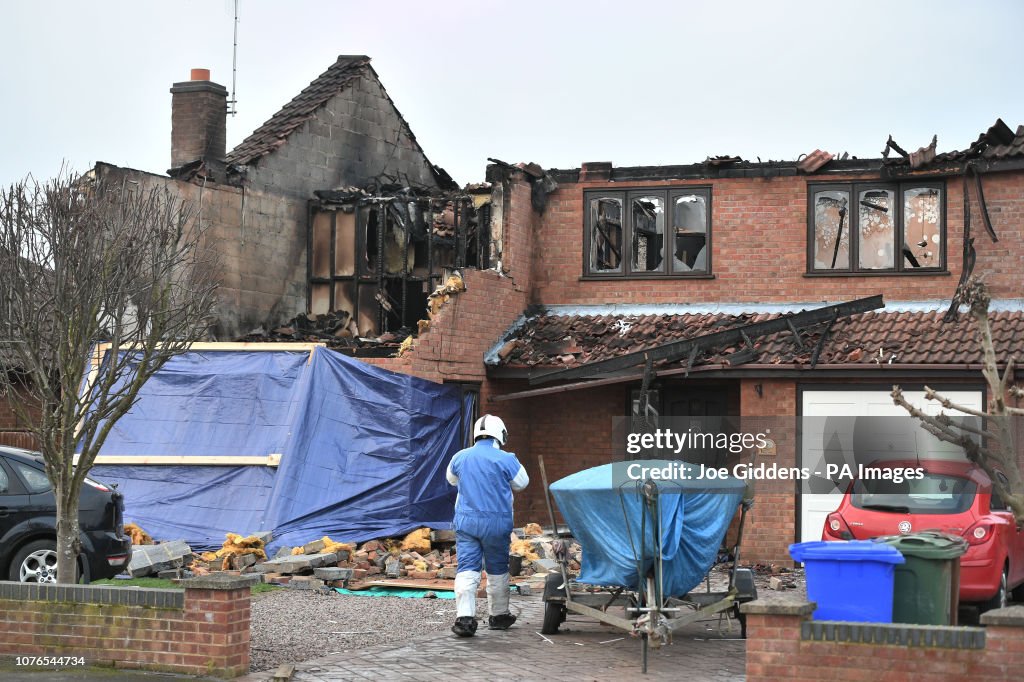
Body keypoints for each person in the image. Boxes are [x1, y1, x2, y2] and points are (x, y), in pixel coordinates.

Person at [445, 414, 529, 637]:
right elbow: (522, 483)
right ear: (500, 434)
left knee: (467, 568)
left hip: (466, 521)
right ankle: (499, 615)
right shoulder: (506, 458)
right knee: (497, 569)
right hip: (496, 523)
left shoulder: (460, 457)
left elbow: (451, 480)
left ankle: (464, 620)